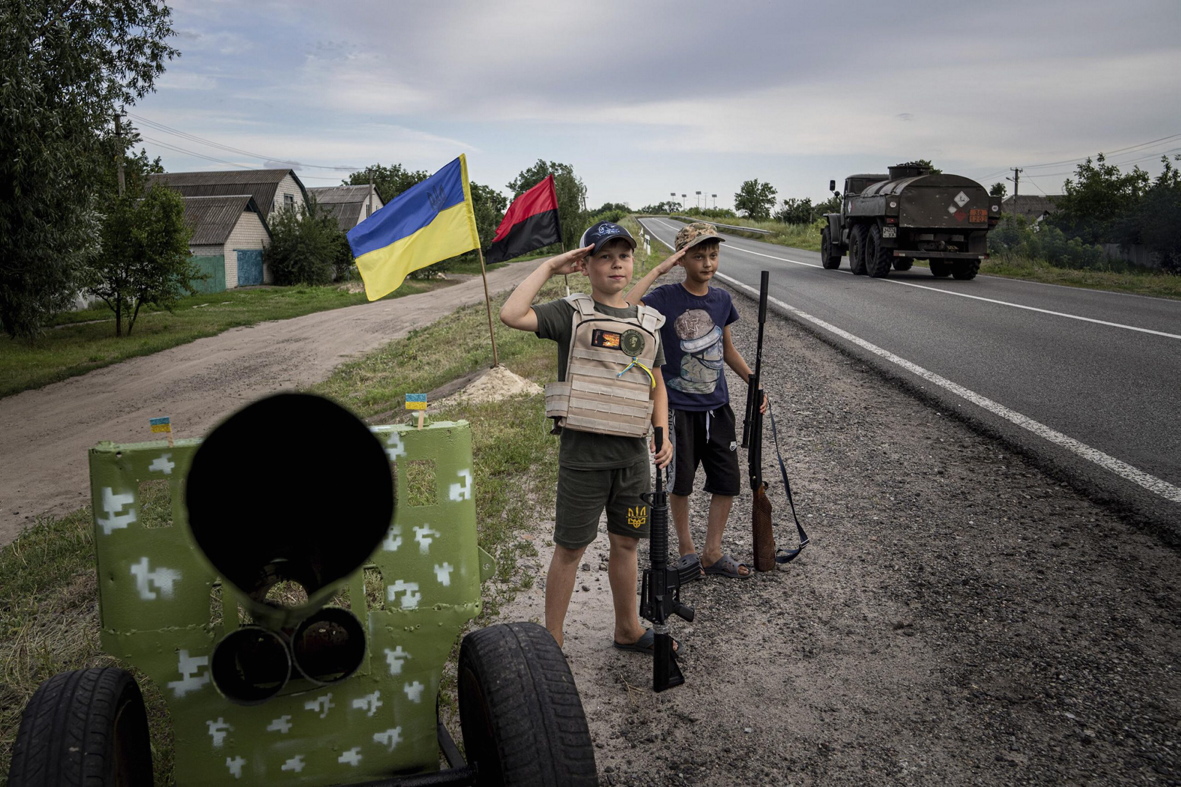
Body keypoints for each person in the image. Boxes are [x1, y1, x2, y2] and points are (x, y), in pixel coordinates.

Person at [499, 220, 675, 652]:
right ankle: (552, 642)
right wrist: (549, 266)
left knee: (627, 543)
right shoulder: (570, 312)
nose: (617, 264)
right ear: (586, 265)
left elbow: (657, 382)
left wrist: (662, 433)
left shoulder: (648, 322)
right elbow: (511, 314)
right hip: (583, 459)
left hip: (632, 459)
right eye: (605, 256)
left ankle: (627, 629)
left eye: (624, 256)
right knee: (570, 549)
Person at [625, 221, 766, 580]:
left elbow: (728, 349)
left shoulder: (722, 300)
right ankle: (688, 551)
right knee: (680, 483)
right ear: (682, 260)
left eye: (713, 255)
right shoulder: (666, 298)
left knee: (727, 480)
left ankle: (712, 551)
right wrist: (660, 269)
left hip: (718, 408)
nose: (707, 263)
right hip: (678, 409)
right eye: (699, 256)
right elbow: (627, 304)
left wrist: (754, 385)